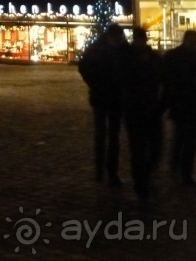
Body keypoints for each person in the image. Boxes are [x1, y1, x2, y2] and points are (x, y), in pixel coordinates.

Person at [116, 27, 163, 198]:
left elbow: (162, 78)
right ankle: (140, 182)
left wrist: (162, 104)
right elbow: (121, 80)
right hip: (134, 110)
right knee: (138, 149)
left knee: (156, 149)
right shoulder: (126, 58)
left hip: (152, 109)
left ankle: (144, 174)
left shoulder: (154, 57)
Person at [78, 23, 127, 186]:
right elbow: (83, 67)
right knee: (101, 135)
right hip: (100, 97)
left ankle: (111, 172)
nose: (118, 40)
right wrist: (94, 83)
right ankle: (100, 170)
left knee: (113, 136)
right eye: (116, 38)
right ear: (110, 37)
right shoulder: (97, 49)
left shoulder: (123, 49)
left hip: (116, 98)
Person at [162, 30, 196, 187]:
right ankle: (180, 170)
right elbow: (167, 81)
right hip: (182, 104)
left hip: (185, 104)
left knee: (185, 140)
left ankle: (181, 171)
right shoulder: (175, 56)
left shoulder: (172, 56)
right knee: (184, 139)